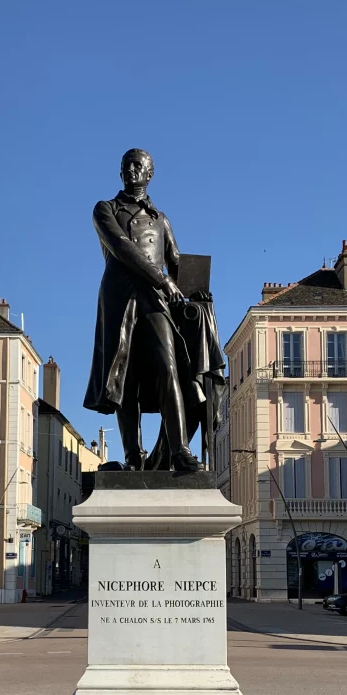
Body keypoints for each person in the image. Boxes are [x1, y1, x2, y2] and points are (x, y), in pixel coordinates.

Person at [84, 148, 203, 472]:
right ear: (120, 172)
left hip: (154, 299)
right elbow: (122, 247)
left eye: (138, 165)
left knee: (169, 368)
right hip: (120, 297)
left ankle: (179, 450)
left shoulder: (160, 219)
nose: (131, 170)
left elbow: (176, 262)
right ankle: (134, 457)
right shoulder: (105, 209)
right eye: (126, 165)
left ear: (150, 174)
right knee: (126, 379)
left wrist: (201, 294)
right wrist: (163, 280)